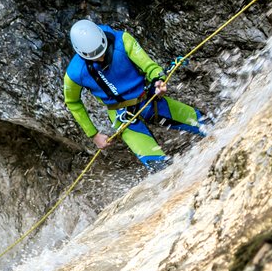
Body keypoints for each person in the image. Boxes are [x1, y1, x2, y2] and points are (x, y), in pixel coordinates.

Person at [63, 19, 206, 171]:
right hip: (123, 117)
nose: (100, 58)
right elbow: (72, 102)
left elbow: (148, 66)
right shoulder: (75, 73)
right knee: (160, 169)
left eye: (101, 50)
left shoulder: (122, 41)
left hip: (149, 99)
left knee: (206, 123)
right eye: (93, 55)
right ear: (81, 53)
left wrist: (158, 80)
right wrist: (93, 134)